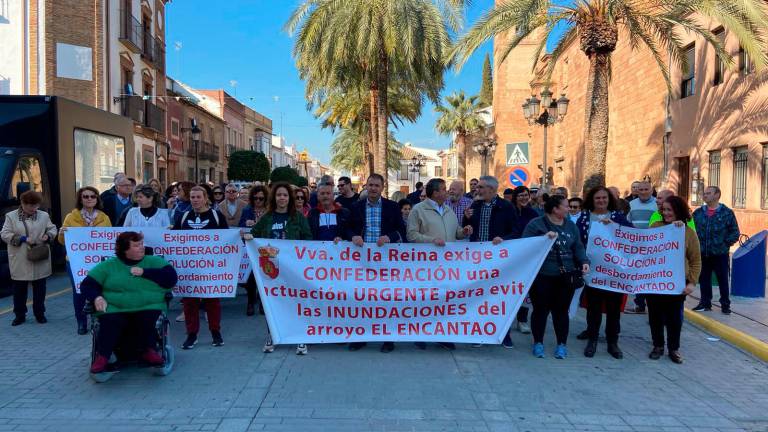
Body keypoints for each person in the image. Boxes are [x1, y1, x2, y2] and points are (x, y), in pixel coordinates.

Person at [81, 231, 178, 373]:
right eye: (137, 245)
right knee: (109, 321)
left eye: (142, 244)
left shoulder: (155, 262)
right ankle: (103, 357)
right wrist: (97, 297)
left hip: (148, 305)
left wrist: (145, 272)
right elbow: (87, 284)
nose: (142, 247)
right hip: (116, 307)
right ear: (125, 249)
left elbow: (171, 278)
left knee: (146, 319)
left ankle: (149, 351)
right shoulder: (109, 266)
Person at [522, 195, 589, 359]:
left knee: (561, 312)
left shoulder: (571, 226)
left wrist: (584, 261)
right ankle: (538, 342)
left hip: (566, 276)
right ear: (555, 209)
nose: (569, 209)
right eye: (565, 206)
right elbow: (524, 245)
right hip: (542, 276)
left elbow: (578, 247)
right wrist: (543, 238)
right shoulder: (536, 224)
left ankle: (561, 344)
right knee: (540, 310)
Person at [250, 182, 312, 355]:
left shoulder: (298, 217)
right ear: (274, 198)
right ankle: (273, 335)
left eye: (285, 195)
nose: (282, 198)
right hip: (271, 270)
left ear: (289, 198)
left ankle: (300, 338)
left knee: (296, 302)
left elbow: (308, 238)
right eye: (279, 195)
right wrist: (246, 236)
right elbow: (254, 234)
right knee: (273, 303)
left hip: (293, 269)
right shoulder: (267, 217)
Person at [407, 178, 468, 351]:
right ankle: (420, 334)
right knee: (425, 300)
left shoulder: (449, 210)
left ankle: (443, 335)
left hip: (447, 265)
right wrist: (432, 241)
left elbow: (455, 233)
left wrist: (463, 232)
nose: (446, 191)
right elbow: (411, 235)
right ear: (434, 193)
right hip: (426, 265)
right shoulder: (418, 210)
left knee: (444, 300)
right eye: (442, 189)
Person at [347, 174, 405, 353]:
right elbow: (347, 228)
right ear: (366, 185)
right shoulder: (355, 207)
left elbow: (402, 230)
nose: (373, 188)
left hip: (386, 262)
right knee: (362, 299)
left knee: (385, 300)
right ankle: (361, 337)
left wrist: (390, 237)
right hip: (362, 262)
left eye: (377, 185)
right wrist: (353, 236)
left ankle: (388, 338)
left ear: (382, 187)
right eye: (370, 185)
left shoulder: (393, 207)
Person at [574, 186, 632, 359]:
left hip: (613, 272)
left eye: (604, 198)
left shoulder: (617, 217)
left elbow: (631, 234)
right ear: (592, 199)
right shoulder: (584, 217)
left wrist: (615, 226)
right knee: (594, 309)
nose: (601, 201)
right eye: (598, 198)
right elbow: (578, 241)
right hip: (593, 271)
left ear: (609, 200)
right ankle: (592, 339)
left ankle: (612, 342)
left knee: (614, 309)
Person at [462, 176, 519, 347]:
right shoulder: (474, 205)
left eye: (480, 187)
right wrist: (466, 219)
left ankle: (504, 334)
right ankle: (480, 332)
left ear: (492, 190)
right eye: (477, 187)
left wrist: (503, 239)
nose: (476, 190)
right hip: (478, 259)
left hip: (499, 260)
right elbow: (468, 228)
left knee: (500, 297)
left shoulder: (506, 207)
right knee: (479, 296)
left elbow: (516, 231)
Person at [647, 196, 701, 363]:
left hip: (676, 283)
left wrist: (691, 282)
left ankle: (673, 348)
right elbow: (643, 247)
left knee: (674, 319)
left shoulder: (688, 232)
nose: (666, 213)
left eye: (670, 210)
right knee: (655, 316)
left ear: (679, 210)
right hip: (655, 281)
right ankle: (658, 345)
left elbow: (695, 260)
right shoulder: (655, 227)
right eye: (664, 210)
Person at [173, 186, 228, 349]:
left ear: (205, 199)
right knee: (190, 303)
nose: (195, 200)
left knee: (212, 301)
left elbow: (226, 239)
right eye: (192, 197)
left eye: (198, 197)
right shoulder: (183, 217)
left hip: (211, 267)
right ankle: (191, 334)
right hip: (189, 268)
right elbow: (174, 239)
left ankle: (215, 332)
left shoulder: (216, 216)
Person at [59, 186, 112, 334]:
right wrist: (62, 233)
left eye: (92, 196)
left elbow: (109, 240)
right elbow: (63, 241)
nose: (89, 199)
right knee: (79, 291)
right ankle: (81, 322)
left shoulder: (104, 218)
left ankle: (100, 318)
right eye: (85, 196)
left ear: (97, 199)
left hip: (98, 261)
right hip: (75, 261)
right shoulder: (71, 217)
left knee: (100, 290)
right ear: (80, 199)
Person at [1, 191, 57, 326]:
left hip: (39, 256)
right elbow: (4, 233)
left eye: (36, 206)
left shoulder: (44, 215)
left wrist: (48, 236)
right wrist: (23, 238)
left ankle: (40, 313)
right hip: (20, 258)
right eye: (30, 206)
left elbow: (53, 228)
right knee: (19, 290)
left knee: (40, 289)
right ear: (22, 203)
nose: (33, 209)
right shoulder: (11, 216)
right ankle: (19, 315)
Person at [692, 186, 740, 314]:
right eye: (704, 193)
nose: (705, 195)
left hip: (720, 254)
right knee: (704, 279)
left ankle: (725, 305)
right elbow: (690, 230)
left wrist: (724, 244)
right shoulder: (698, 213)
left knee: (723, 280)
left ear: (717, 195)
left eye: (708, 193)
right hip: (703, 253)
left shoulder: (727, 213)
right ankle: (705, 303)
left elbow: (735, 232)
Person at [510, 186, 539, 335]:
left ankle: (522, 320)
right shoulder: (508, 211)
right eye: (520, 195)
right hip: (508, 255)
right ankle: (506, 319)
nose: (523, 197)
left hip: (527, 257)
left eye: (525, 195)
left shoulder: (533, 213)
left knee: (524, 288)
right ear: (515, 197)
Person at [625, 180, 657, 314]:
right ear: (636, 191)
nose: (643, 192)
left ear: (651, 190)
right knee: (637, 276)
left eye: (646, 189)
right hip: (636, 247)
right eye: (641, 190)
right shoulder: (631, 204)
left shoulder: (658, 204)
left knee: (651, 277)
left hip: (654, 248)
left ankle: (653, 306)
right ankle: (639, 304)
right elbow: (627, 223)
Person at [239, 184, 270, 316]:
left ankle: (263, 304)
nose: (258, 201)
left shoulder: (270, 211)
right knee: (251, 277)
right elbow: (240, 227)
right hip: (251, 247)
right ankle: (250, 302)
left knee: (265, 275)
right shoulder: (247, 210)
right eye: (256, 198)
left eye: (261, 199)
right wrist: (246, 224)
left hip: (266, 246)